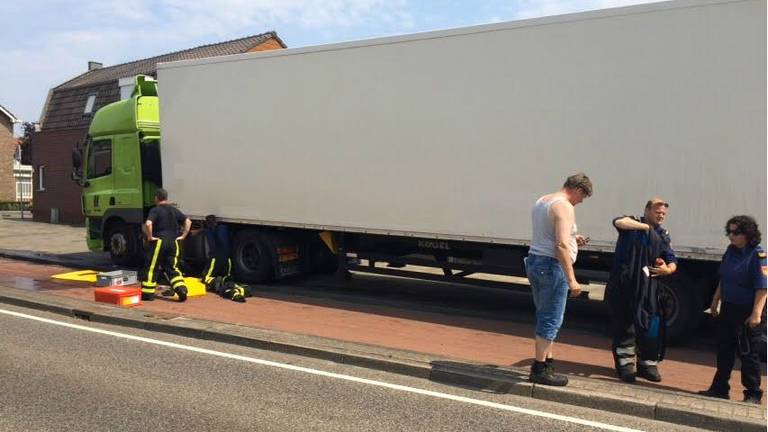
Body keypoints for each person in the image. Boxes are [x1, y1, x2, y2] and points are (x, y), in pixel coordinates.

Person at [526, 173, 592, 386]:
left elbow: (551, 233)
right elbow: (560, 245)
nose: (580, 202)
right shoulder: (564, 206)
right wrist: (571, 278)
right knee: (551, 318)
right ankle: (539, 369)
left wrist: (574, 236)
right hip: (552, 266)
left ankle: (547, 362)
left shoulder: (542, 200)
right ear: (579, 190)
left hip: (535, 261)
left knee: (544, 313)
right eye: (582, 198)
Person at [606, 198, 677, 383]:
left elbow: (671, 258)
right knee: (625, 324)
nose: (660, 215)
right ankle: (625, 365)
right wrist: (645, 228)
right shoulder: (632, 223)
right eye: (657, 211)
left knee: (650, 325)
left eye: (663, 213)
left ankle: (647, 364)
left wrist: (667, 269)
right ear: (646, 210)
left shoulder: (663, 234)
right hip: (625, 284)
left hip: (649, 287)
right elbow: (617, 221)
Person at [699, 215, 766, 404]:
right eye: (729, 232)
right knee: (724, 348)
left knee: (748, 351)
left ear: (747, 233)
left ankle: (753, 392)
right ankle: (720, 388)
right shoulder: (731, 251)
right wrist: (715, 299)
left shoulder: (757, 255)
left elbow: (762, 287)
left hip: (748, 310)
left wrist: (756, 313)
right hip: (729, 307)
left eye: (735, 233)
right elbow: (724, 278)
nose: (731, 236)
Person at [139, 188, 192, 302]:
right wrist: (183, 236)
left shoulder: (155, 210)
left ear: (156, 198)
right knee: (172, 267)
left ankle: (148, 294)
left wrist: (150, 237)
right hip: (173, 242)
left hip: (159, 241)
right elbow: (188, 221)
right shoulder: (174, 210)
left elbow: (148, 224)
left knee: (151, 267)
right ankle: (181, 289)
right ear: (166, 198)